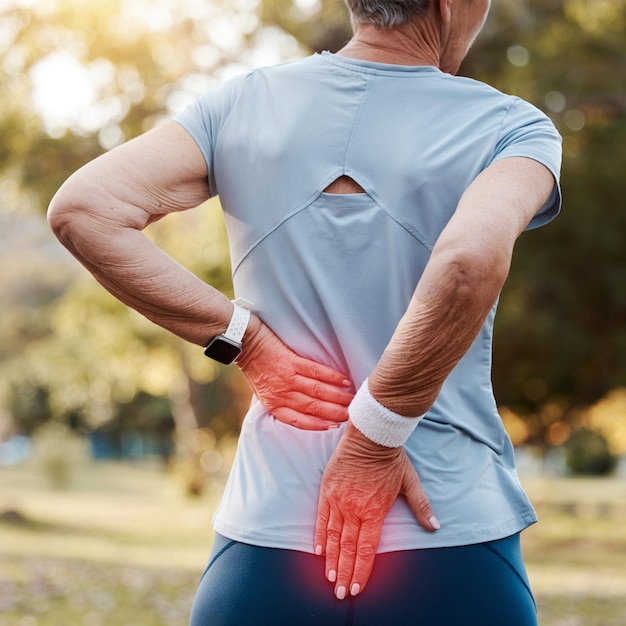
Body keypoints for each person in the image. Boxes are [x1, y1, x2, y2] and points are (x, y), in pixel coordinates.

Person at [48, 0, 562, 623]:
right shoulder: (511, 127)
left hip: (270, 542)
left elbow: (84, 210)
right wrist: (375, 438)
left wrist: (246, 341)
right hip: (447, 536)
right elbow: (469, 262)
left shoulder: (242, 104)